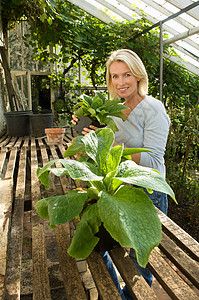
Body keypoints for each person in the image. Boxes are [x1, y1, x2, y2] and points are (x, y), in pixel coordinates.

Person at [72, 49, 170, 300]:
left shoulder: (153, 109)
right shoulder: (111, 109)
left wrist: (109, 146)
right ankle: (116, 294)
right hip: (115, 191)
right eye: (114, 76)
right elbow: (98, 154)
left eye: (126, 74)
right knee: (98, 246)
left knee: (141, 261)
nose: (121, 82)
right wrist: (85, 132)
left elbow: (153, 160)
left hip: (147, 192)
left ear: (138, 76)